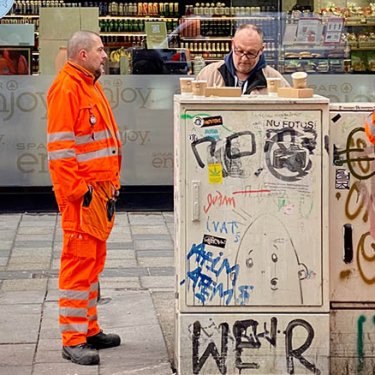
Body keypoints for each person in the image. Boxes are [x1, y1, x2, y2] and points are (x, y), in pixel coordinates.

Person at [46, 30, 122, 366]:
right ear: (82, 55)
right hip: (84, 197)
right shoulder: (67, 89)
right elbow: (60, 152)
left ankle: (89, 329)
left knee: (92, 265)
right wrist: (80, 192)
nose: (105, 55)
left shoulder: (88, 83)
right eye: (100, 50)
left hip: (98, 194)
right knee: (77, 267)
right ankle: (73, 339)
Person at [196, 24, 289, 95]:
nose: (244, 59)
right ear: (232, 44)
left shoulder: (276, 80)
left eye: (251, 53)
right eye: (239, 51)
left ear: (261, 50)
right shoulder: (208, 75)